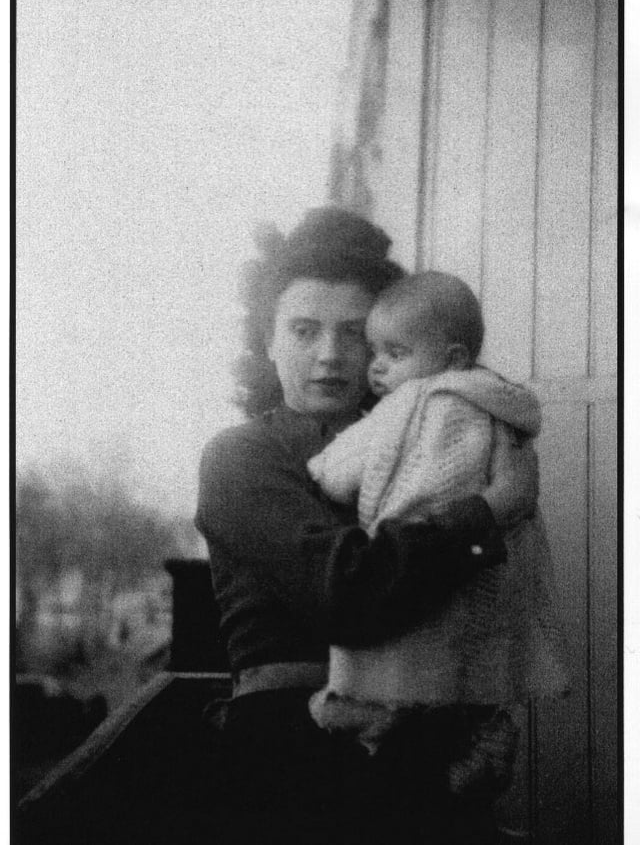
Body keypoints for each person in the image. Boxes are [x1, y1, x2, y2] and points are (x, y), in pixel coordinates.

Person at [194, 207, 540, 845]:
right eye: (303, 331)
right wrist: (488, 513)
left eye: (353, 334)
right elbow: (346, 593)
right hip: (292, 766)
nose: (328, 356)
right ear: (267, 342)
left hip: (431, 753)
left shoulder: (426, 441)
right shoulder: (242, 456)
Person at [307, 271, 569, 770]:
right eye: (376, 351)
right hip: (494, 565)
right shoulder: (497, 406)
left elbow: (340, 472)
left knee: (405, 651)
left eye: (396, 354)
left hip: (429, 549)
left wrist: (317, 469)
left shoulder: (414, 400)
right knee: (476, 661)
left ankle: (383, 711)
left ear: (451, 359)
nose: (378, 368)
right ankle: (483, 731)